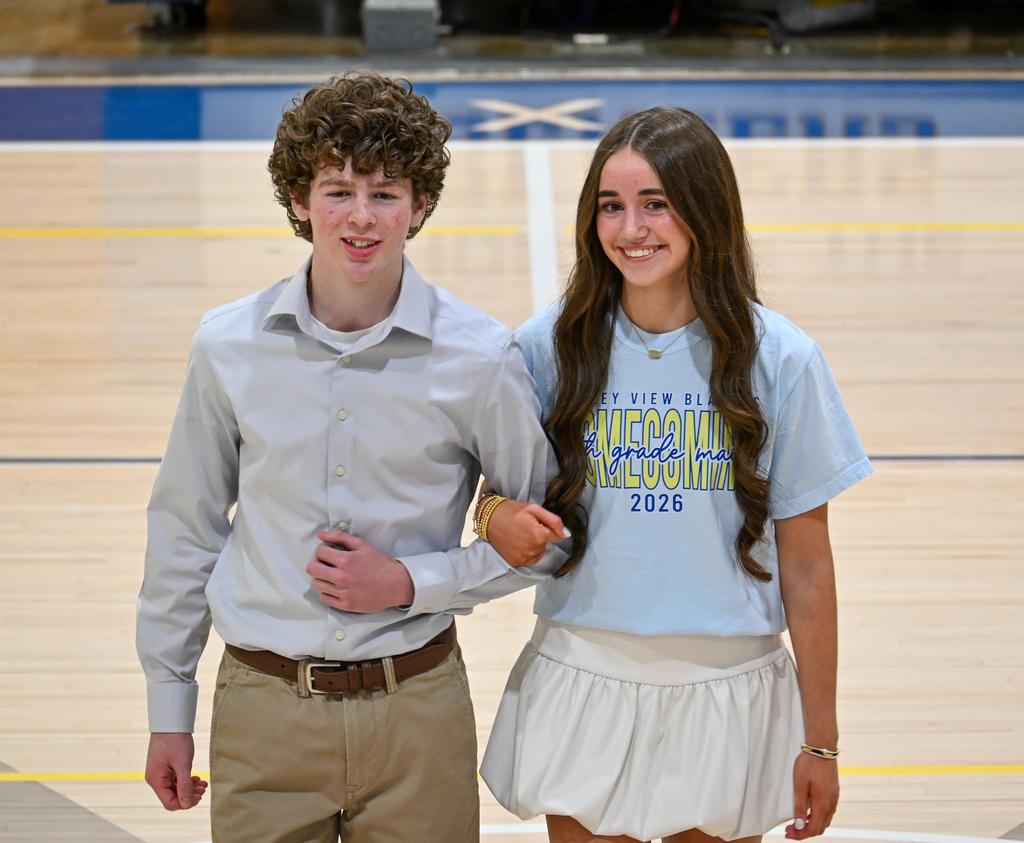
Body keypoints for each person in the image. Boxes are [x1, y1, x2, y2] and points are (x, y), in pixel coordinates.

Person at [136, 71, 565, 843]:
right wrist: (169, 706)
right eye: (337, 190)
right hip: (261, 708)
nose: (361, 218)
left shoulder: (480, 356)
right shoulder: (227, 345)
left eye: (386, 192)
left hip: (418, 712)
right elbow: (185, 529)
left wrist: (412, 581)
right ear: (298, 201)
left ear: (421, 205)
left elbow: (543, 539)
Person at [478, 106, 873, 843]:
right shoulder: (544, 347)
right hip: (583, 672)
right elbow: (489, 491)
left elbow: (810, 566)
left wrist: (822, 738)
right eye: (611, 206)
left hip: (728, 688)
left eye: (656, 203)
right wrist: (489, 513)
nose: (632, 229)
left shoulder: (782, 359)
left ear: (705, 210)